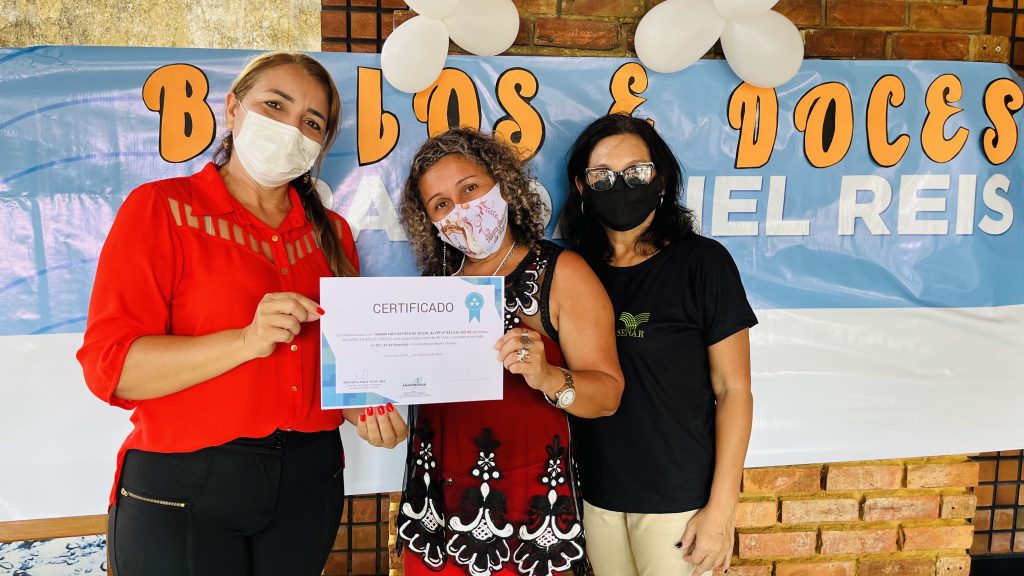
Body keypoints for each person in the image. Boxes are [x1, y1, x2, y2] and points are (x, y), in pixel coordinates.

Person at [76, 51, 406, 576]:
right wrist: (246, 341)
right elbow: (112, 369)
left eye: (312, 122)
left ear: (321, 143)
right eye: (275, 105)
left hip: (310, 481)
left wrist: (365, 407)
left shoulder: (333, 233)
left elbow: (337, 367)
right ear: (233, 108)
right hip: (185, 487)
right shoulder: (162, 208)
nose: (290, 128)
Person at [395, 127, 625, 576]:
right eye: (441, 204)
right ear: (429, 221)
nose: (460, 209)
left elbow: (608, 396)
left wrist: (548, 376)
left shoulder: (561, 272)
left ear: (503, 184)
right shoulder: (433, 287)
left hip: (527, 509)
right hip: (438, 506)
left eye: (470, 189)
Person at [560, 113, 757, 576]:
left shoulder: (703, 263)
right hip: (596, 497)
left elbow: (734, 391)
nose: (620, 185)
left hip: (679, 503)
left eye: (636, 172)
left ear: (661, 180)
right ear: (582, 187)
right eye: (602, 175)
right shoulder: (572, 270)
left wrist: (720, 510)